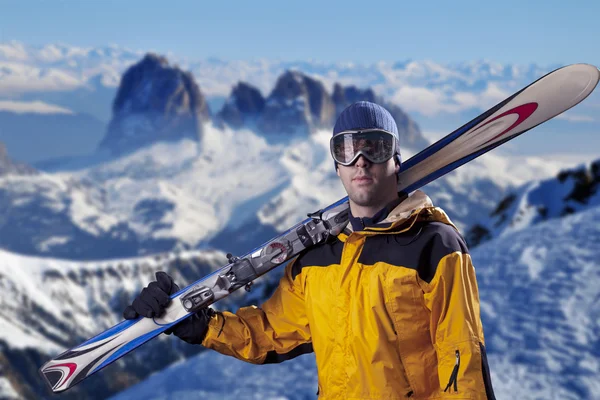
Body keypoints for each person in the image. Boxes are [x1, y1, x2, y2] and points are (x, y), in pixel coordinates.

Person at [124, 101, 496, 399]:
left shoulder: (433, 244)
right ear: (337, 166)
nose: (360, 160)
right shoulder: (317, 258)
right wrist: (198, 324)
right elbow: (269, 334)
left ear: (396, 159)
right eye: (347, 150)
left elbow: (461, 357)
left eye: (375, 147)